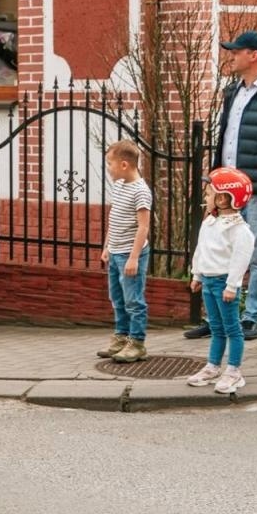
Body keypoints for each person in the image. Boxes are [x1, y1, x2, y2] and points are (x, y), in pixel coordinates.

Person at [186, 29, 257, 342]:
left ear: (254, 55)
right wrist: (215, 177)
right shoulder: (233, 92)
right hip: (227, 188)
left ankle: (252, 317)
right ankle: (219, 317)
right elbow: (225, 138)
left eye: (236, 51)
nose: (231, 56)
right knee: (218, 250)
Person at [185, 169, 257, 394]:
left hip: (224, 284)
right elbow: (201, 250)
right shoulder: (210, 222)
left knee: (232, 329)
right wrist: (197, 275)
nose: (205, 198)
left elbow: (240, 259)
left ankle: (234, 371)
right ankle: (213, 366)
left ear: (224, 198)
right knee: (215, 328)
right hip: (208, 281)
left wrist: (232, 285)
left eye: (209, 194)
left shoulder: (239, 230)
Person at [96, 140, 152, 363]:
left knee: (134, 301)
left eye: (110, 163)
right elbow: (115, 219)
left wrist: (134, 258)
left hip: (130, 255)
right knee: (117, 299)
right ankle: (121, 337)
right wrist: (107, 246)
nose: (108, 167)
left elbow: (143, 227)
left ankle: (137, 343)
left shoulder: (141, 191)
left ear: (125, 165)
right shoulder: (119, 186)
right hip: (116, 252)